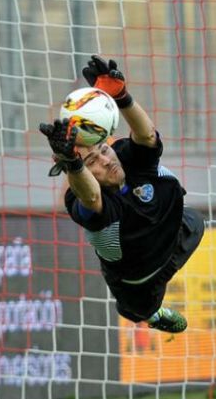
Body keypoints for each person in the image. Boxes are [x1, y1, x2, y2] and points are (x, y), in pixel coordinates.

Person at [39, 55, 205, 333]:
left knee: (197, 221)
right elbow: (92, 198)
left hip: (178, 229)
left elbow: (148, 135)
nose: (105, 160)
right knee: (138, 310)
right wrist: (72, 163)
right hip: (140, 280)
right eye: (92, 162)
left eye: (104, 150)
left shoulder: (127, 155)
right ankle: (154, 316)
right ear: (84, 172)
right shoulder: (82, 200)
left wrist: (121, 97)